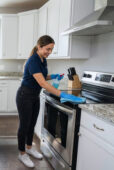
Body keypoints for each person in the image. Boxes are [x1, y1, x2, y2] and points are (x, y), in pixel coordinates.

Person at [16, 35, 83, 168]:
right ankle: (22, 153)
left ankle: (29, 147)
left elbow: (41, 76)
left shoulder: (42, 59)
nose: (49, 52)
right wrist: (63, 95)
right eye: (47, 49)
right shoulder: (33, 61)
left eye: (51, 49)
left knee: (31, 124)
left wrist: (52, 76)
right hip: (25, 96)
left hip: (34, 96)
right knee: (24, 125)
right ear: (39, 47)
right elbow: (42, 83)